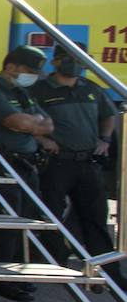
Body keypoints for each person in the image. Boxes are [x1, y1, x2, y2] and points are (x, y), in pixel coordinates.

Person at [0, 45, 56, 302]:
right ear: (11, 67)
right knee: (6, 223)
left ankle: (16, 274)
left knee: (25, 221)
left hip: (25, 164)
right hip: (2, 163)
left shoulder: (22, 93)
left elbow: (49, 124)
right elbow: (18, 122)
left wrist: (32, 126)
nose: (33, 76)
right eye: (29, 70)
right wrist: (31, 125)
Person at [30, 45, 121, 283]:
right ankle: (52, 267)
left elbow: (108, 115)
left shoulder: (91, 88)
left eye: (81, 59)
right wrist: (42, 140)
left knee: (96, 219)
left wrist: (105, 139)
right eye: (69, 59)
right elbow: (26, 121)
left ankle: (109, 274)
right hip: (56, 163)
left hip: (88, 164)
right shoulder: (39, 90)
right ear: (55, 62)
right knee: (51, 218)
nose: (75, 65)